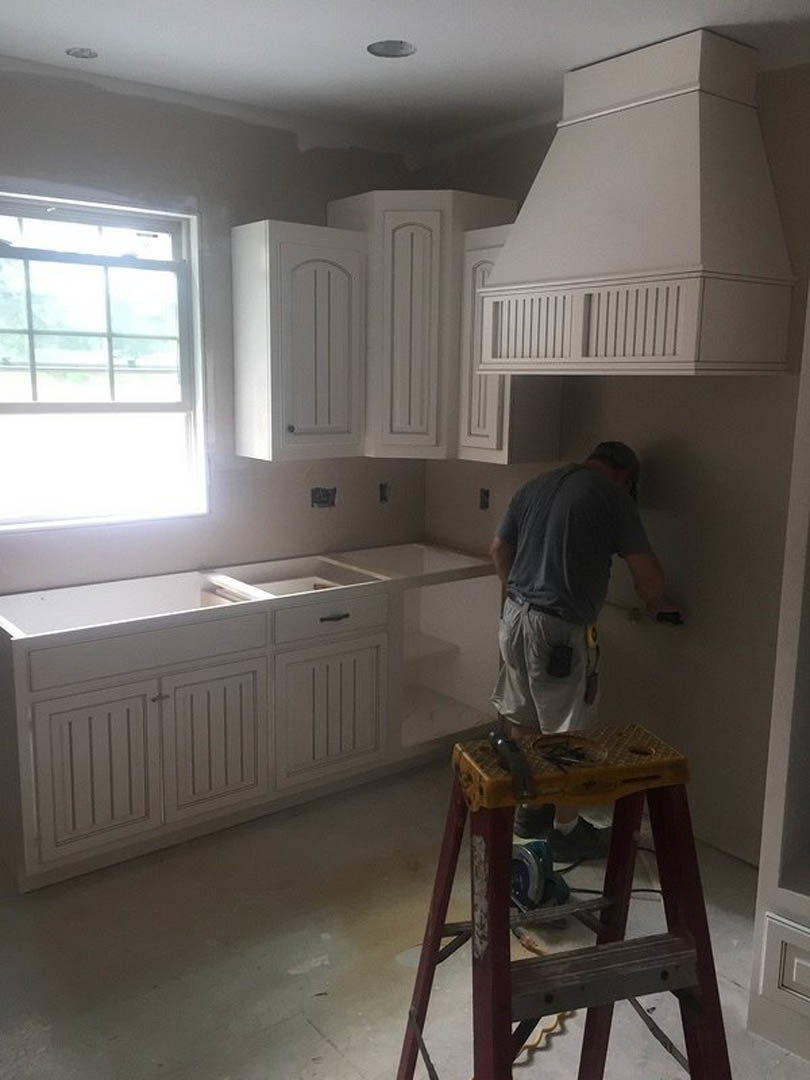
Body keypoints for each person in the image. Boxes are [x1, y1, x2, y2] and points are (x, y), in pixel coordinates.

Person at [489, 441, 681, 861]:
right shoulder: (612, 497)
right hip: (559, 629)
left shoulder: (537, 484)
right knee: (570, 733)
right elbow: (644, 570)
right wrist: (657, 603)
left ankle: (531, 809)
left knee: (523, 720)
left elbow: (499, 550)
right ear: (626, 477)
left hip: (515, 617)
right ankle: (566, 830)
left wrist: (513, 599)